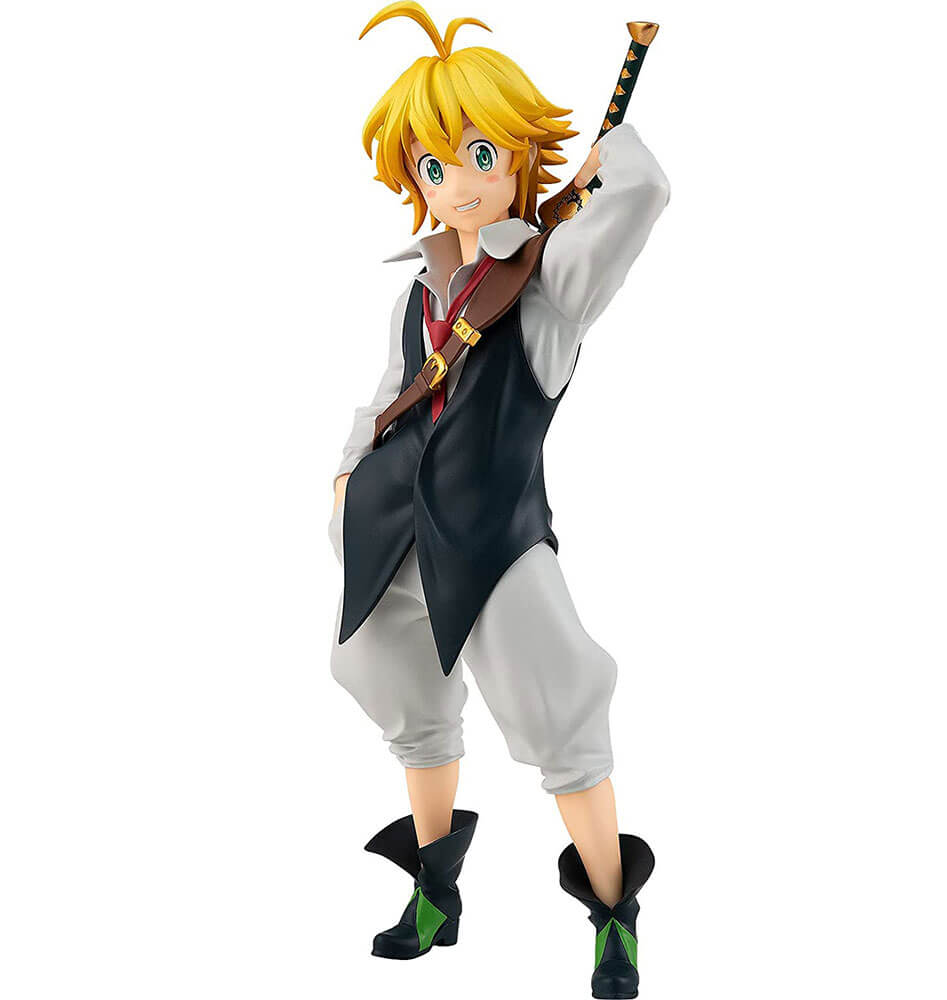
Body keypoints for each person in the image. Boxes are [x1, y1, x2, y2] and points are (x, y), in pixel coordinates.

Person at [329, 4, 669, 996]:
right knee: (400, 696)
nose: (459, 183)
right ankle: (434, 890)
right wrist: (347, 471)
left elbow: (642, 196)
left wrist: (610, 161)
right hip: (393, 528)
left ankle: (613, 913)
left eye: (481, 154)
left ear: (521, 155)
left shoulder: (551, 283)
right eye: (435, 166)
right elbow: (389, 390)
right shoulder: (423, 285)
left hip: (495, 538)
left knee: (558, 714)